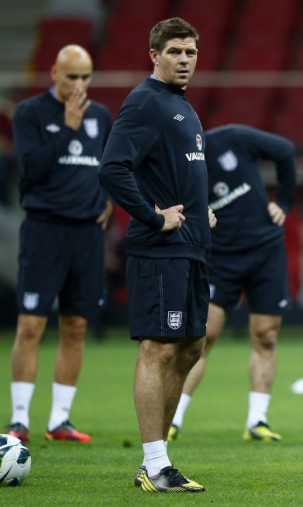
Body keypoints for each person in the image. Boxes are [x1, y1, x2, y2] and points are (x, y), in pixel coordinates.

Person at [99, 17, 214, 493]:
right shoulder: (145, 101)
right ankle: (154, 462)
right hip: (160, 250)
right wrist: (152, 215)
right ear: (155, 55)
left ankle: (160, 459)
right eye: (174, 52)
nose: (183, 60)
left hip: (192, 250)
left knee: (190, 347)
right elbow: (112, 169)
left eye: (189, 52)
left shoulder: (182, 106)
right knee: (158, 346)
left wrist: (201, 212)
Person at [8, 44, 113, 444]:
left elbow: (111, 167)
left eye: (86, 77)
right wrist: (67, 128)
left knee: (76, 325)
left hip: (86, 234)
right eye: (72, 77)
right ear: (53, 73)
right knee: (32, 324)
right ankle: (19, 420)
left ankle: (60, 420)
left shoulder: (101, 116)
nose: (79, 85)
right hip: (44, 230)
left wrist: (108, 199)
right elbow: (30, 170)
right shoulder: (30, 113)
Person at [168, 123, 296, 443]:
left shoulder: (233, 138)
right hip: (220, 256)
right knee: (202, 336)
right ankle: (173, 419)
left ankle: (257, 422)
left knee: (266, 335)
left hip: (265, 249)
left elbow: (285, 151)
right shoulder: (177, 167)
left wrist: (284, 202)